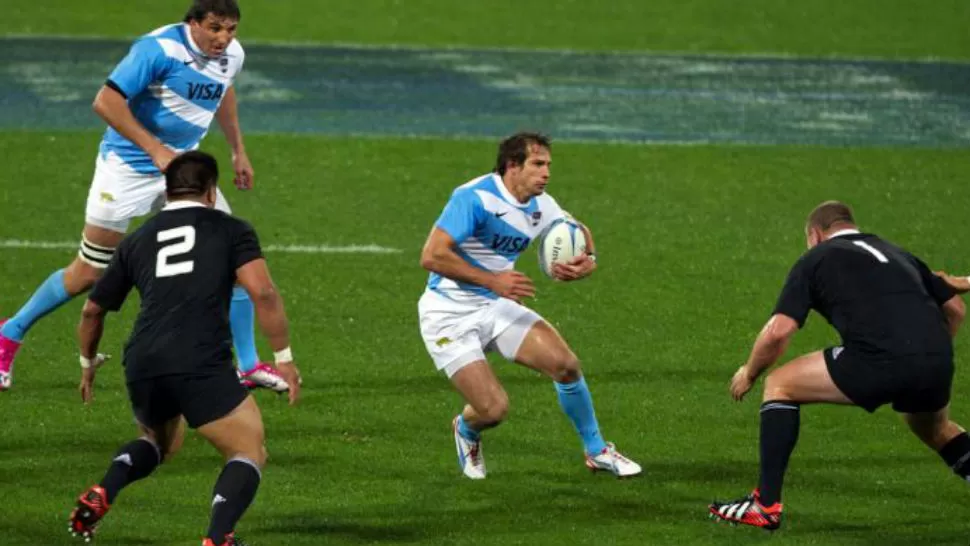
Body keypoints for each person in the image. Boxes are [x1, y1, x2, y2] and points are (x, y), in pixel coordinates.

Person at [0, 0, 288, 393]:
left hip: (183, 173)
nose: (224, 38)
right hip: (128, 169)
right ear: (193, 23)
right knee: (88, 273)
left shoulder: (231, 54)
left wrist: (239, 149)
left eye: (231, 29)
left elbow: (224, 92)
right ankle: (9, 334)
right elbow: (105, 101)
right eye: (215, 28)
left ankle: (248, 364)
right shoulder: (158, 50)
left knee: (235, 260)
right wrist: (156, 151)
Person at [66, 151, 301, 546]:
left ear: (167, 191)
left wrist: (87, 363)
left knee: (160, 442)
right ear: (211, 193)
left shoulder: (137, 240)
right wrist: (284, 359)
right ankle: (218, 537)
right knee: (248, 449)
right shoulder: (231, 230)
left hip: (143, 359)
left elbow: (92, 310)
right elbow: (262, 291)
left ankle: (106, 487)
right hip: (199, 358)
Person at [709, 200, 969, 531]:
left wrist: (749, 372)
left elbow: (779, 331)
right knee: (935, 429)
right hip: (937, 359)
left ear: (815, 235)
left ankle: (765, 505)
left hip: (880, 358)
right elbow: (956, 309)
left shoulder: (815, 259)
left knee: (779, 384)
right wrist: (925, 355)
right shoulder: (898, 253)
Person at [417, 131, 641, 480]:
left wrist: (588, 258)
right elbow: (431, 256)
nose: (547, 173)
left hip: (494, 305)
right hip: (448, 314)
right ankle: (466, 429)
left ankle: (597, 450)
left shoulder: (542, 204)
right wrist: (493, 280)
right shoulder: (473, 198)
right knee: (493, 409)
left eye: (549, 164)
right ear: (512, 166)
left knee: (565, 365)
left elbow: (574, 228)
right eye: (538, 164)